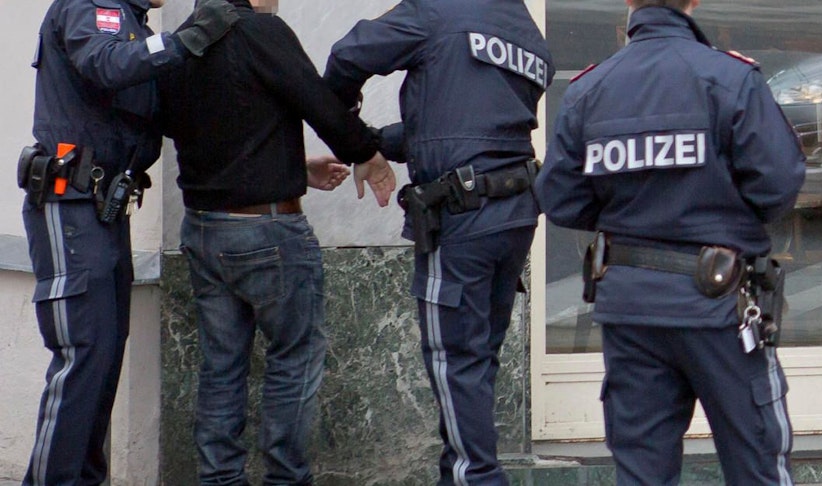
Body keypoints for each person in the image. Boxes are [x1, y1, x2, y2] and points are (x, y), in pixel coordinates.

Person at [535, 0, 805, 484]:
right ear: (693, 0)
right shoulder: (729, 78)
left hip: (630, 306)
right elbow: (778, 184)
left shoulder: (591, 89)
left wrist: (631, 216)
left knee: (642, 472)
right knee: (757, 462)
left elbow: (561, 199)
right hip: (718, 305)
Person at [155, 0, 394, 483]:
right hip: (266, 232)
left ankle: (219, 478)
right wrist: (366, 151)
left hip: (204, 231)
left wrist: (295, 168)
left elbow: (219, 129)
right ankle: (285, 478)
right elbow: (317, 99)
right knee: (294, 360)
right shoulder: (261, 31)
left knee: (221, 366)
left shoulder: (182, 40)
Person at [323, 1, 553, 483]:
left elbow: (348, 57)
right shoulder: (524, 27)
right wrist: (375, 141)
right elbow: (460, 125)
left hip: (463, 216)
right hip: (513, 212)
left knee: (456, 363)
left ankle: (480, 478)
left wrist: (350, 137)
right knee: (476, 363)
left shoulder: (438, 9)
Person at [18, 0, 238, 483]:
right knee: (84, 353)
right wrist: (188, 37)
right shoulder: (93, 6)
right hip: (69, 205)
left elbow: (173, 119)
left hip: (105, 210)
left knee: (103, 356)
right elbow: (106, 64)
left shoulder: (135, 24)